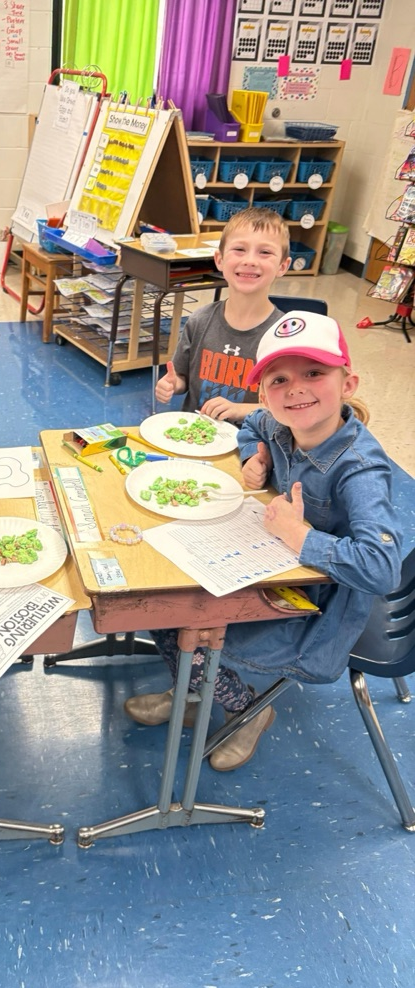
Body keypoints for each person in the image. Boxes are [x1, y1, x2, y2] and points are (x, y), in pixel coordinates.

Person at [125, 311, 402, 770]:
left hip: (320, 606)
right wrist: (259, 460)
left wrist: (301, 536)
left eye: (314, 373)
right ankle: (195, 689)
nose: (295, 389)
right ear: (264, 392)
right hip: (267, 566)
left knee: (181, 619)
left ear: (348, 383)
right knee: (160, 597)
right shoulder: (279, 424)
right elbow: (254, 425)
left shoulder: (360, 468)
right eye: (278, 380)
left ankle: (247, 709)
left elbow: (380, 568)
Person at [155, 206, 291, 424]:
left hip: (251, 442)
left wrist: (240, 410)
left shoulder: (284, 335)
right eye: (239, 249)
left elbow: (288, 405)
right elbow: (182, 378)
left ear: (283, 266)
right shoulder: (199, 320)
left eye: (264, 252)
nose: (250, 260)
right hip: (196, 434)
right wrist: (172, 384)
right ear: (219, 259)